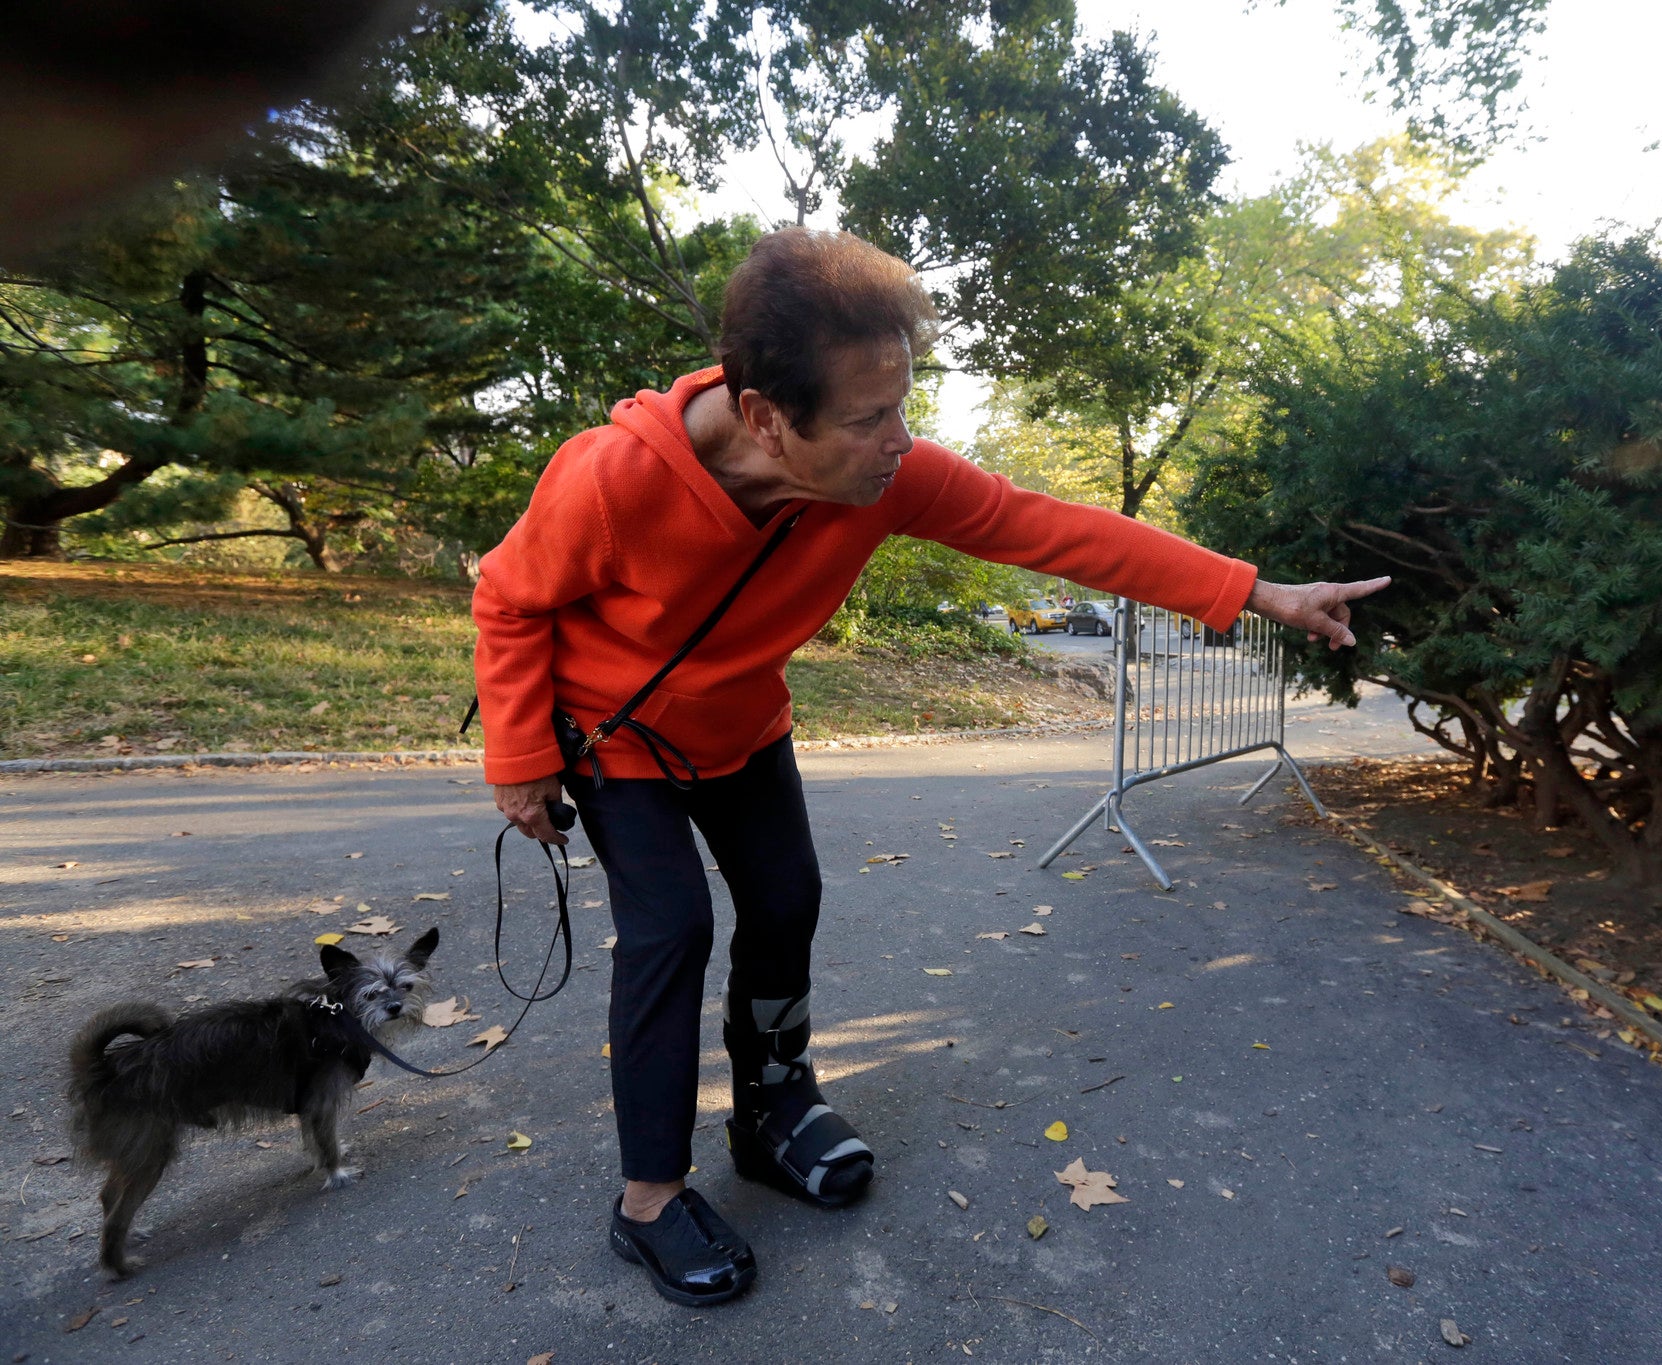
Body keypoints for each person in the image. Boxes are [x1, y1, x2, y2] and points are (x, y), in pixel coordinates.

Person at [473, 227, 1389, 1307]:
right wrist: (522, 762)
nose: (898, 442)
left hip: (741, 726)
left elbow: (1042, 527)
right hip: (613, 735)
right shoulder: (613, 479)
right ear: (767, 417)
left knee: (786, 900)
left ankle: (772, 1108)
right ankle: (647, 1200)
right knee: (672, 926)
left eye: (902, 405)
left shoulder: (886, 477)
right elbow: (509, 595)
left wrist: (1254, 594)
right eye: (869, 419)